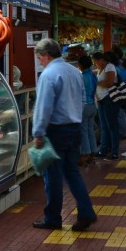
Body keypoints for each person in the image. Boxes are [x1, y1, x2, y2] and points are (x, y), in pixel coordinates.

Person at [31, 38, 98, 231]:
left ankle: (52, 218)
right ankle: (86, 212)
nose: (40, 61)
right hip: (74, 128)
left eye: (39, 58)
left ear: (46, 55)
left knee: (52, 177)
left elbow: (44, 107)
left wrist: (38, 133)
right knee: (72, 173)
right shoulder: (73, 71)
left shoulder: (48, 74)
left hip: (55, 130)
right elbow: (81, 98)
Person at [92, 52, 121, 159]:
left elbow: (109, 83)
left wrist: (95, 83)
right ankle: (103, 150)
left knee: (112, 126)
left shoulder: (110, 67)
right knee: (104, 126)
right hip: (101, 100)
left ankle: (114, 151)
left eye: (96, 61)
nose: (95, 64)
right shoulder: (101, 69)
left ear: (101, 60)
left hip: (109, 99)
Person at [78, 55, 98, 166]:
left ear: (81, 65)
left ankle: (85, 154)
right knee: (90, 130)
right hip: (92, 105)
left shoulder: (82, 77)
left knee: (83, 131)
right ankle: (92, 153)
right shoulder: (93, 75)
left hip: (84, 105)